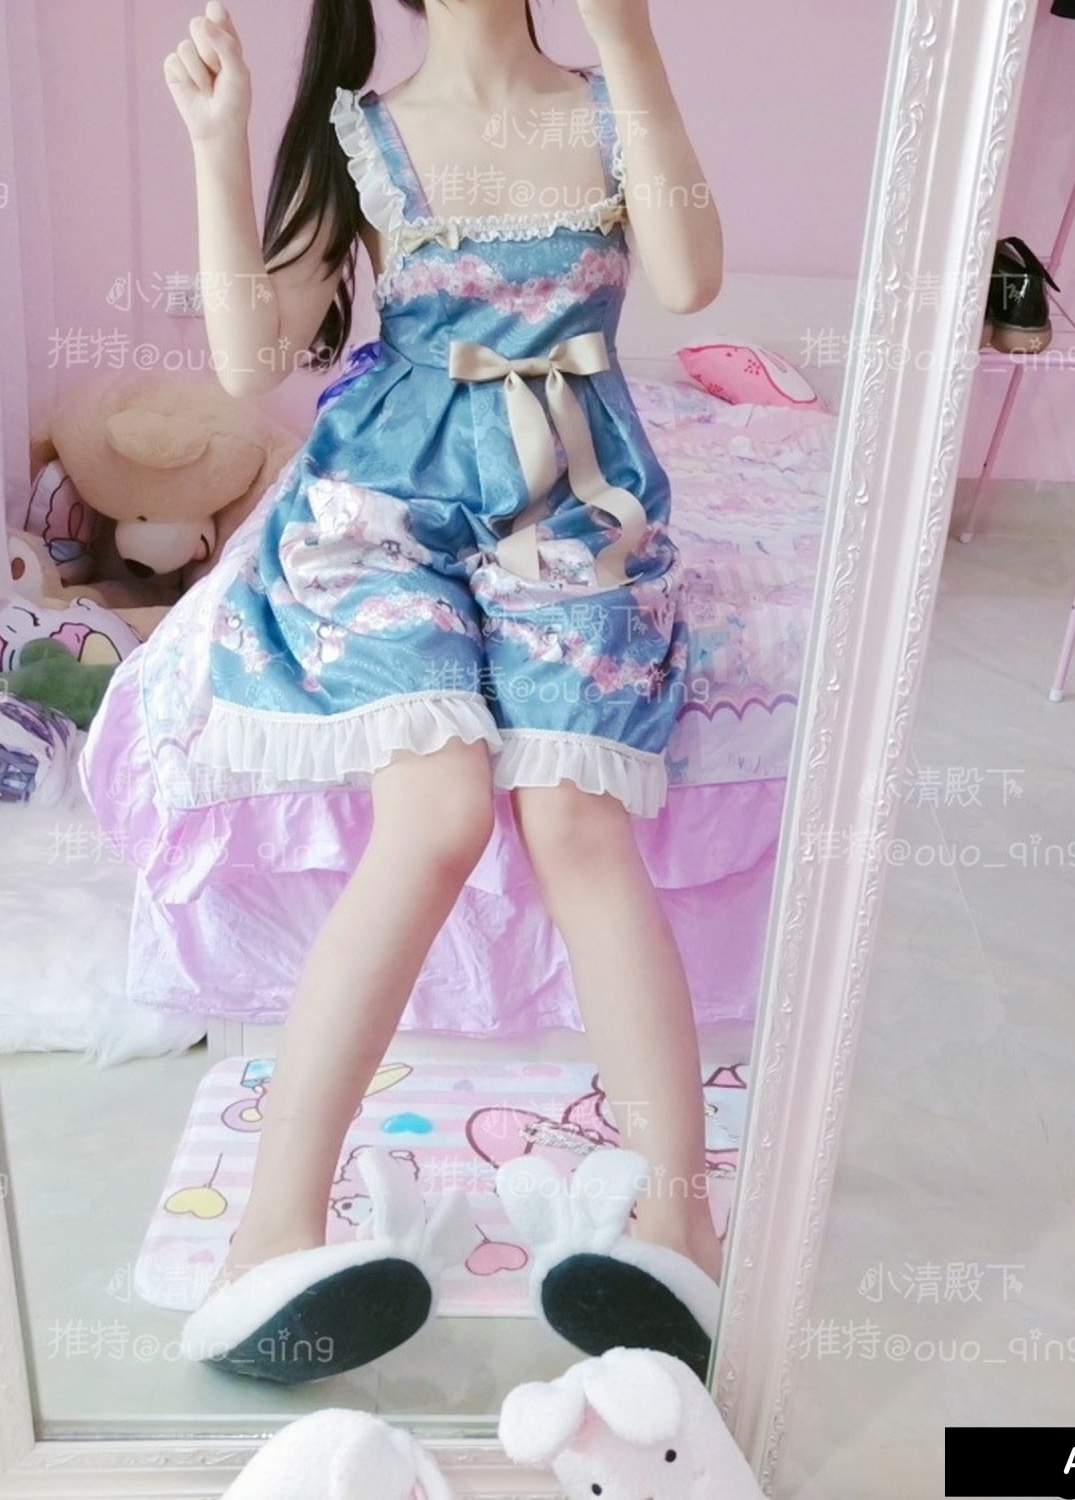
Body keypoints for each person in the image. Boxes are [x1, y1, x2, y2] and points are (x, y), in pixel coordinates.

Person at [159, 0, 723, 1382]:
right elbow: (250, 362)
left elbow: (691, 278)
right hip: (382, 506)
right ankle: (269, 1241)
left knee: (575, 817)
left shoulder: (607, 100)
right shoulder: (364, 131)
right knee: (438, 812)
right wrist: (219, 143)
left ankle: (678, 1230)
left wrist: (629, 34)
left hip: (572, 489)